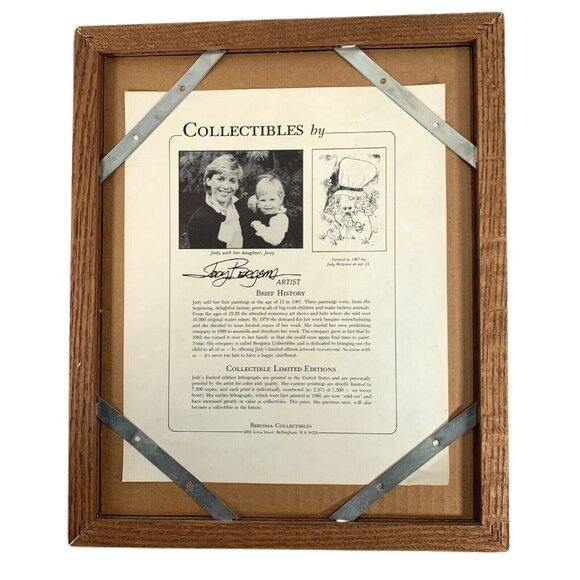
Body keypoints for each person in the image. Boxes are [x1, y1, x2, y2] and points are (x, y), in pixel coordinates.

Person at [187, 154, 248, 249]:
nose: (226, 186)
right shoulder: (199, 221)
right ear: (208, 181)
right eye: (220, 179)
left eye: (232, 181)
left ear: (237, 185)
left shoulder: (241, 208)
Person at [245, 174, 290, 248]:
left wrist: (258, 225)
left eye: (272, 199)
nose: (267, 204)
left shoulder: (280, 218)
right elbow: (252, 200)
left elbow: (275, 240)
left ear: (280, 200)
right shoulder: (260, 208)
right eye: (263, 200)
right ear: (258, 202)